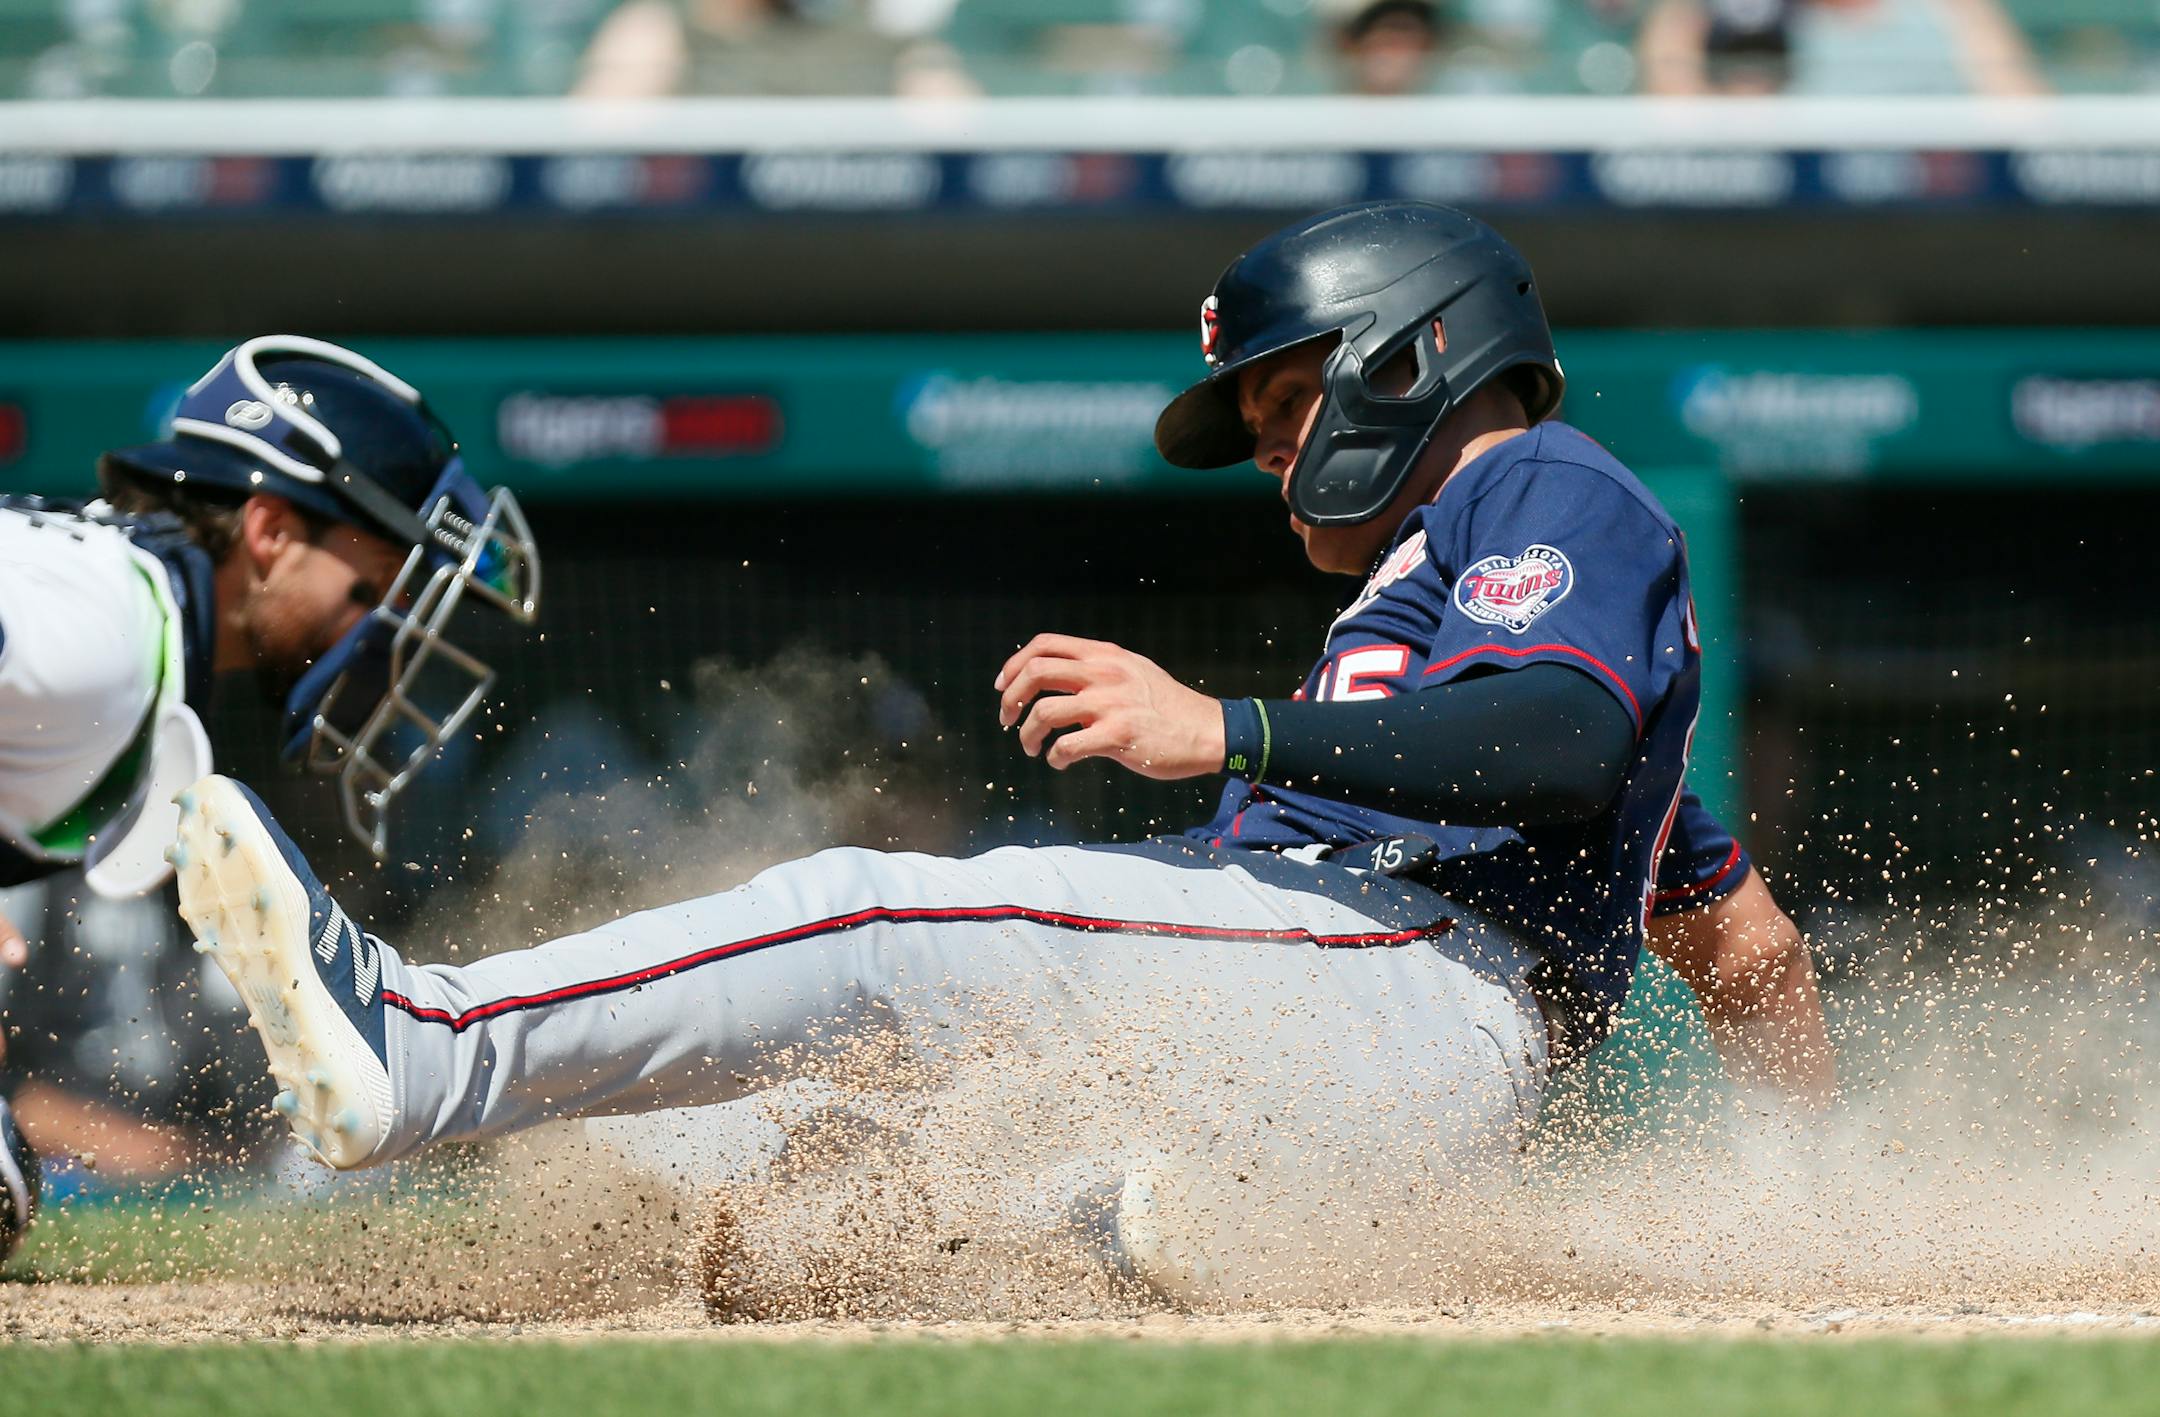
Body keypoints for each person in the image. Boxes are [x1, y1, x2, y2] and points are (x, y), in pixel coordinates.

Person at [174, 203, 1829, 1299]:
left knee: (879, 918)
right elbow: (1744, 943)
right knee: (728, 1164)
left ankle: (424, 1043)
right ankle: (1145, 1216)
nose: (1271, 458)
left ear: (1406, 355)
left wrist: (1222, 727)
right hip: (1362, 1053)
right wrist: (1796, 1205)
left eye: (1285, 411)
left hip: (1400, 976)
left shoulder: (1545, 489)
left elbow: (1559, 732)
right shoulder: (1450, 656)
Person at [0, 336, 539, 1260]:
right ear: (272, 532)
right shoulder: (106, 628)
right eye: (373, 586)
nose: (384, 630)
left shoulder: (133, 630)